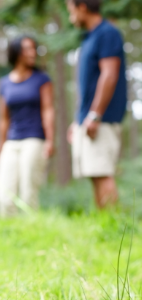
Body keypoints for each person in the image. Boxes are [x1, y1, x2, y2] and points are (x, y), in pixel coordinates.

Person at [67, 0, 126, 208]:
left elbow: (109, 74)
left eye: (70, 9)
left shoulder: (107, 33)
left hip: (103, 118)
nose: (70, 16)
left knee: (102, 173)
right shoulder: (90, 38)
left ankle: (115, 232)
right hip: (90, 118)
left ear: (82, 6)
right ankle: (105, 226)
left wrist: (95, 115)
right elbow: (88, 86)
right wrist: (78, 120)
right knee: (94, 174)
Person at [0, 36, 55, 217]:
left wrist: (50, 140)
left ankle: (32, 233)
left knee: (28, 191)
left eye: (33, 48)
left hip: (34, 138)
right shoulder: (5, 83)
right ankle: (11, 233)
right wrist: (1, 148)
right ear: (17, 53)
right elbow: (4, 119)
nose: (33, 52)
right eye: (27, 49)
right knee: (3, 194)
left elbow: (48, 110)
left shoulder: (41, 79)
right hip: (12, 141)